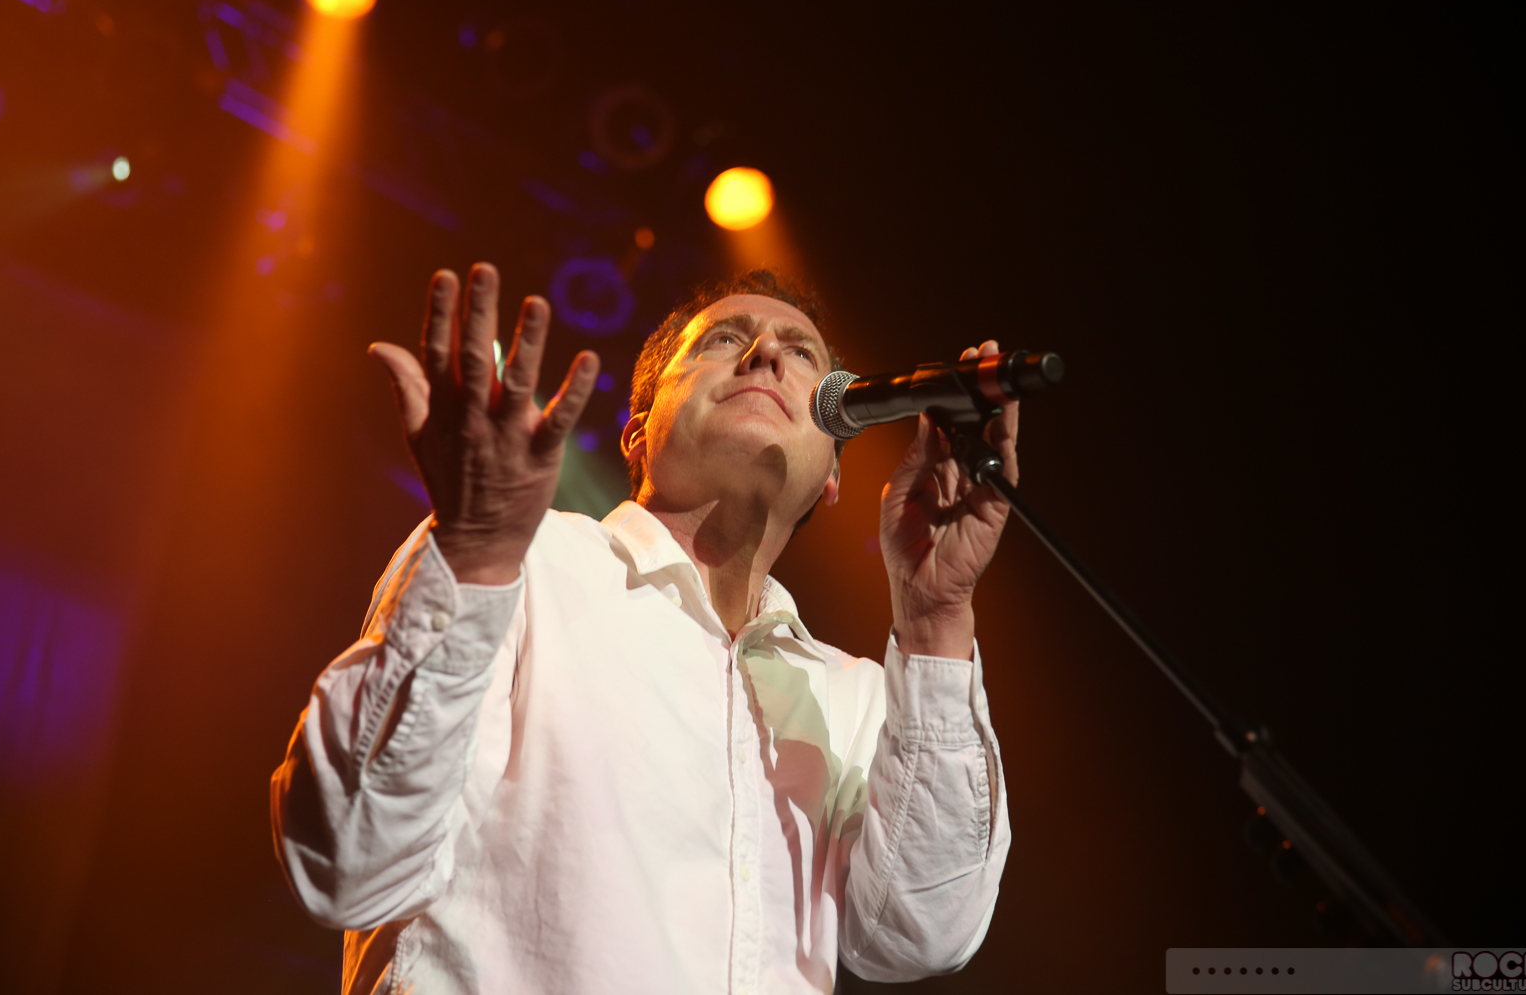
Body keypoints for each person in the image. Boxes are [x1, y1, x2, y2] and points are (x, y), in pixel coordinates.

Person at [270, 263, 1017, 994]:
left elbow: (919, 932)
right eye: (724, 339)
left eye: (801, 356)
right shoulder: (520, 563)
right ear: (636, 432)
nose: (766, 353)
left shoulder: (854, 697)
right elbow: (350, 859)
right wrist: (472, 555)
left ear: (832, 472)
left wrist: (936, 620)